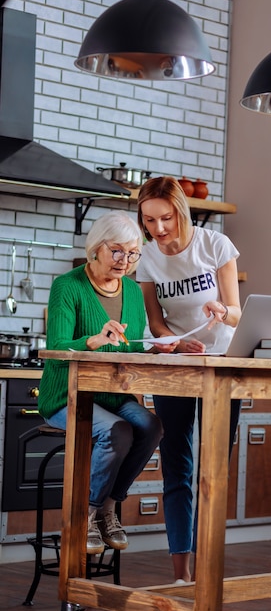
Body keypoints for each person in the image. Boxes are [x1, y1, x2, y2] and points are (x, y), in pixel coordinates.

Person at [38, 210, 163, 556]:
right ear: (97, 247)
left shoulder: (134, 293)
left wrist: (156, 346)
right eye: (117, 251)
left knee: (151, 425)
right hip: (67, 395)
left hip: (113, 394)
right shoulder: (68, 286)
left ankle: (109, 507)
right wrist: (92, 340)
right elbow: (57, 346)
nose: (126, 260)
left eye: (133, 253)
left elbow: (130, 346)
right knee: (118, 431)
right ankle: (86, 515)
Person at [136, 176, 242, 582]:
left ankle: (208, 567)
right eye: (149, 220)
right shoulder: (146, 257)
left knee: (214, 469)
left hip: (221, 365)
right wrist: (175, 345)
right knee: (177, 465)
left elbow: (236, 312)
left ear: (182, 210)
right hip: (177, 368)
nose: (159, 229)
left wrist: (220, 309)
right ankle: (182, 574)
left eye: (166, 218)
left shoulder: (215, 245)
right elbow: (156, 323)